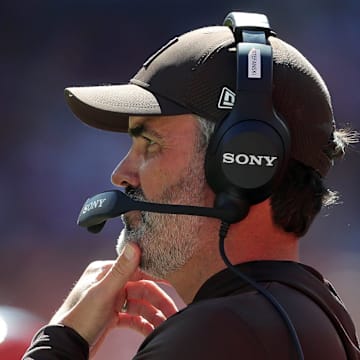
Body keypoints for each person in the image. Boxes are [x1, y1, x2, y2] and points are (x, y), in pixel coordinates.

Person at [22, 11, 359, 360]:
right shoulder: (319, 314)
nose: (120, 174)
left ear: (240, 163)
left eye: (149, 143)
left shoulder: (217, 334)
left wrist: (62, 338)